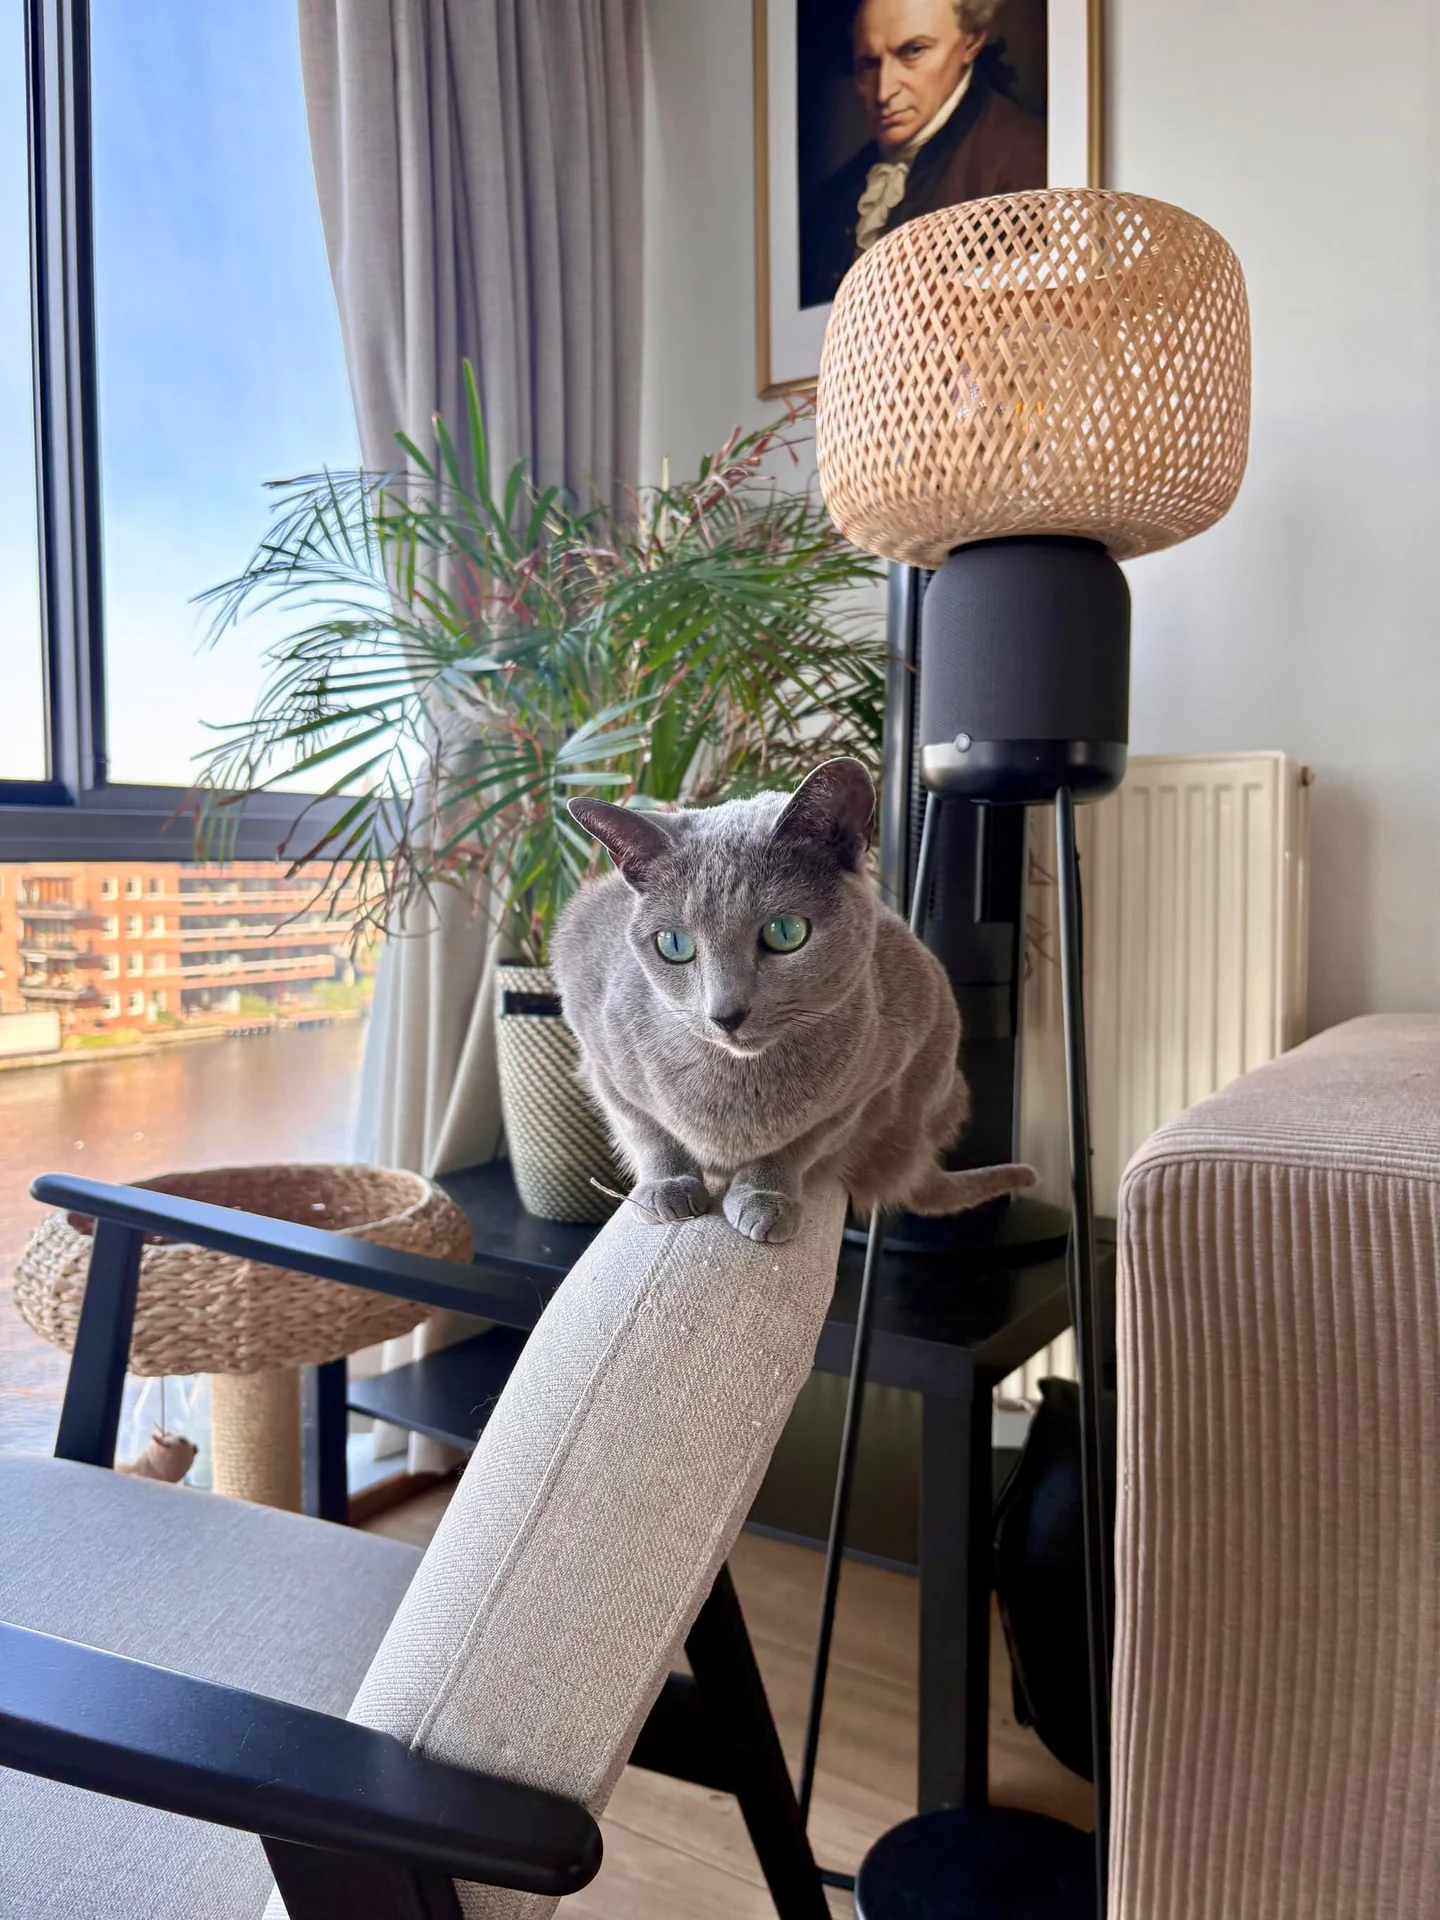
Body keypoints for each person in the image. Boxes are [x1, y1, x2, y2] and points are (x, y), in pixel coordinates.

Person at [800, 0, 1046, 307]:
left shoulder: (1022, 164)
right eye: (869, 64)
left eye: (913, 51)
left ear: (972, 40)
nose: (884, 92)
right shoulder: (834, 197)